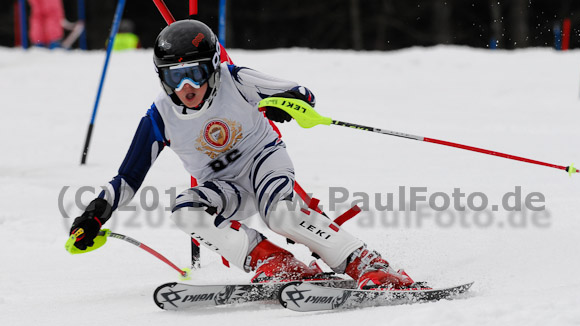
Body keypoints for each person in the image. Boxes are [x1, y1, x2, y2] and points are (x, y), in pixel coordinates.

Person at [69, 20, 416, 290]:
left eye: (194, 73)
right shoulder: (160, 117)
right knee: (184, 212)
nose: (185, 88)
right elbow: (127, 178)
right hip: (223, 186)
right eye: (174, 78)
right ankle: (276, 263)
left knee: (280, 215)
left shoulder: (235, 79)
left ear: (213, 67)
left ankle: (368, 264)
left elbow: (300, 93)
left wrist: (288, 105)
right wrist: (93, 216)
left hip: (263, 163)